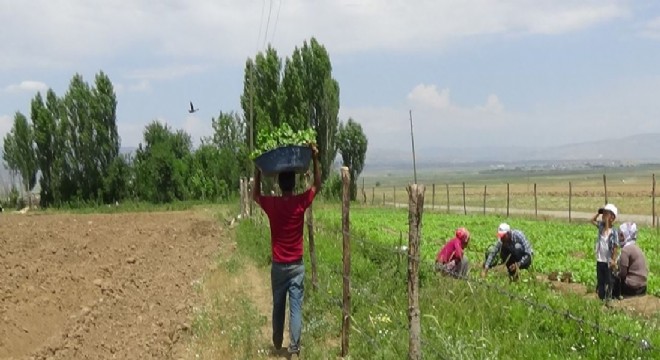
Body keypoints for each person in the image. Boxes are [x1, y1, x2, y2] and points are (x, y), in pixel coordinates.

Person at [252, 143, 321, 356]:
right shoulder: (300, 202)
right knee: (296, 307)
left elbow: (255, 195)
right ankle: (294, 347)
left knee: (278, 305)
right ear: (294, 183)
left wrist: (258, 169)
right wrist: (315, 158)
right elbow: (317, 184)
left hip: (279, 266)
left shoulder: (273, 205)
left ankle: (277, 340)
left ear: (280, 184)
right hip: (297, 266)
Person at [590, 203, 619, 301]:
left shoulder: (614, 231)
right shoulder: (601, 227)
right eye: (604, 214)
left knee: (609, 280)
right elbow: (592, 221)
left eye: (606, 214)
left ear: (612, 217)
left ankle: (608, 298)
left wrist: (613, 260)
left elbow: (615, 246)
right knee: (600, 280)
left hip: (608, 261)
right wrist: (598, 213)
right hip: (600, 260)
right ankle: (601, 297)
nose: (603, 216)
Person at [613, 222, 648, 298]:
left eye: (621, 235)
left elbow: (622, 273)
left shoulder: (626, 250)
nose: (619, 237)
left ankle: (614, 297)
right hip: (643, 287)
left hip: (632, 288)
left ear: (626, 235)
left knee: (613, 277)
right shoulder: (636, 247)